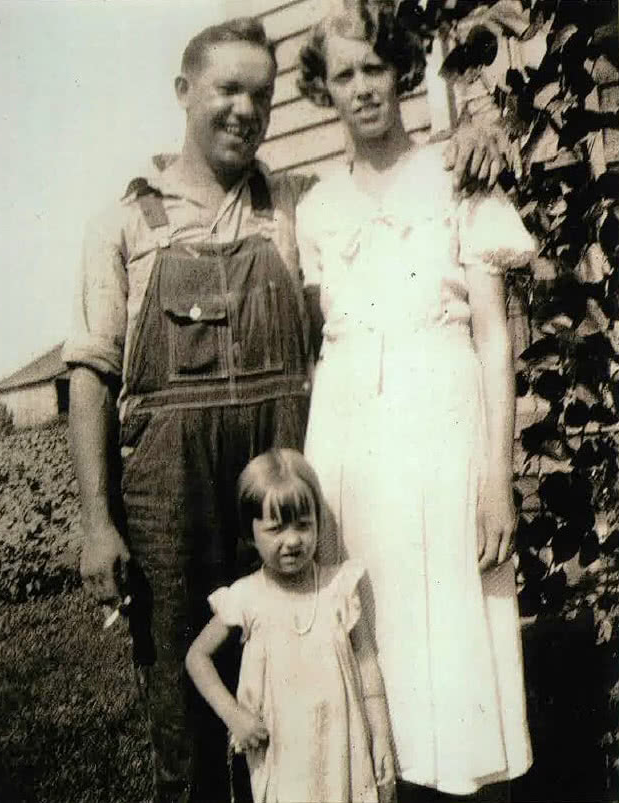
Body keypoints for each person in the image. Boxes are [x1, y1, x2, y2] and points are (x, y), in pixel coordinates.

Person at [63, 13, 506, 803]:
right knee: (183, 696)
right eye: (227, 90)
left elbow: (384, 172)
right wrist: (96, 521)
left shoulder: (294, 205)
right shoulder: (124, 223)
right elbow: (91, 375)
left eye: (261, 96)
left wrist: (479, 117)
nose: (245, 110)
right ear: (183, 93)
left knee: (300, 682)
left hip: (277, 473)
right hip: (172, 493)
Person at [296, 4, 536, 801]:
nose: (361, 88)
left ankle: (464, 781)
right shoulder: (316, 209)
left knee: (452, 622)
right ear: (322, 91)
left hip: (442, 428)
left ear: (399, 70)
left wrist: (495, 478)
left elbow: (494, 336)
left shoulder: (455, 174)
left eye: (373, 68)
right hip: (349, 437)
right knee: (373, 622)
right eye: (342, 75)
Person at [186, 448, 396, 803]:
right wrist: (234, 716)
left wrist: (380, 736)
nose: (293, 540)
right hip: (283, 754)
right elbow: (197, 657)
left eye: (303, 524)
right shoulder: (246, 597)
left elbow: (367, 666)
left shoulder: (339, 587)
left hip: (343, 748)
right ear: (250, 534)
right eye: (276, 529)